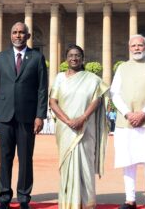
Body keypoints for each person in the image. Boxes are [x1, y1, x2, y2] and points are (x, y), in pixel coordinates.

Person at [0, 22, 49, 209]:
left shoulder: (37, 57)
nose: (18, 35)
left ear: (28, 36)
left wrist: (40, 115)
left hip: (27, 117)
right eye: (14, 32)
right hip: (5, 116)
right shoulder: (1, 57)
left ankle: (24, 197)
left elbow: (42, 89)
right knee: (5, 158)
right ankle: (4, 197)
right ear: (10, 35)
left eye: (22, 33)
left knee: (25, 159)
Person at [111, 35, 145, 209]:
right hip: (126, 121)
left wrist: (143, 112)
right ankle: (130, 199)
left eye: (139, 45)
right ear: (129, 48)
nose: (136, 48)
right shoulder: (122, 68)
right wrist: (128, 113)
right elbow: (114, 93)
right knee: (128, 160)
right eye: (133, 45)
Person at [49, 44, 108, 209]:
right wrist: (68, 120)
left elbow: (96, 100)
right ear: (66, 58)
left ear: (83, 59)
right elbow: (52, 101)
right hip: (66, 128)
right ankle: (69, 202)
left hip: (85, 128)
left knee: (85, 164)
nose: (74, 58)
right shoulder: (59, 77)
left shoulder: (92, 79)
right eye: (71, 55)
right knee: (67, 165)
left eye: (77, 55)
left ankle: (87, 202)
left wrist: (82, 118)